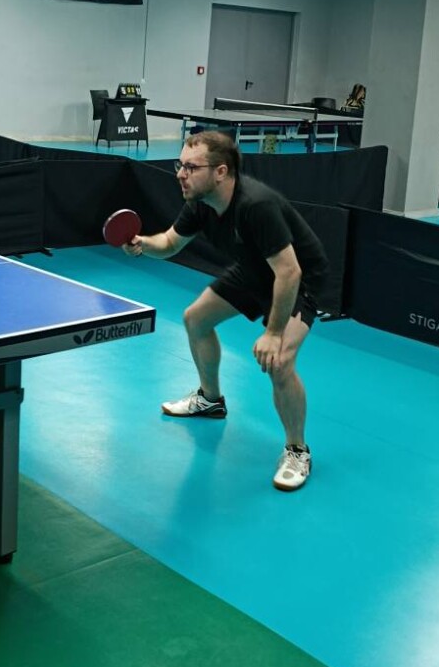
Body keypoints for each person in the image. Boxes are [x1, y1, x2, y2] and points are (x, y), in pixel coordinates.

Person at [122, 130, 329, 492]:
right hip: (255, 270)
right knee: (196, 319)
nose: (181, 174)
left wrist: (273, 332)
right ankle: (210, 400)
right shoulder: (200, 202)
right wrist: (142, 244)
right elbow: (169, 243)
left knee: (279, 361)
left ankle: (298, 450)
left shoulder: (256, 205)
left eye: (191, 167)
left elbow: (289, 272)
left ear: (220, 172)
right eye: (179, 165)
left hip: (299, 280)